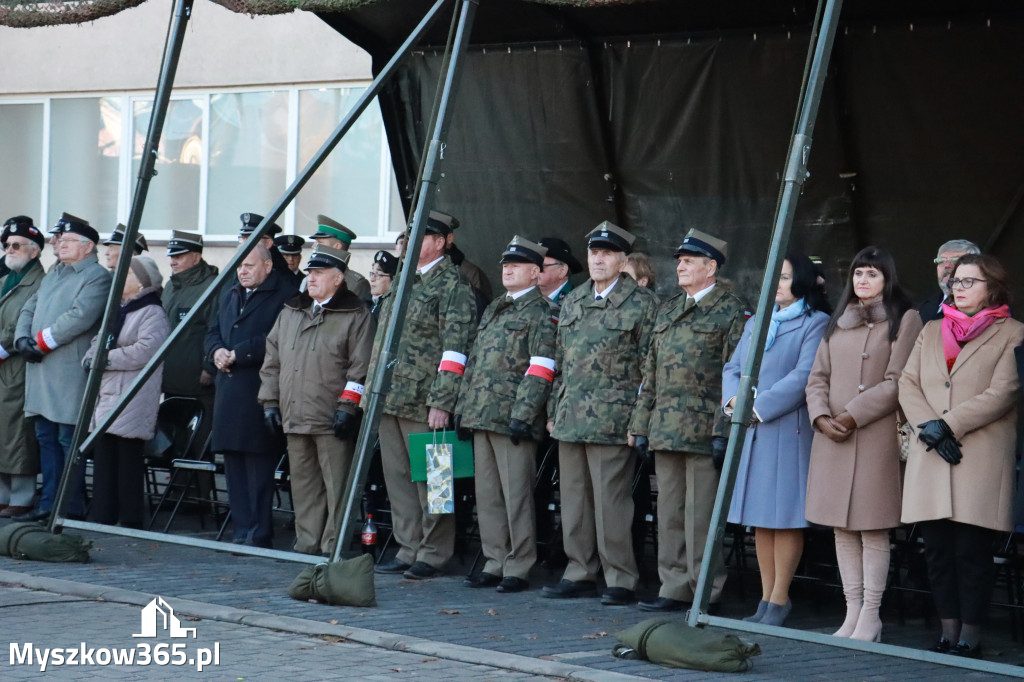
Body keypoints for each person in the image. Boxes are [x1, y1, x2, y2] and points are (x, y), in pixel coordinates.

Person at [900, 254, 1023, 658]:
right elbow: (908, 382)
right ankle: (947, 630)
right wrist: (929, 427)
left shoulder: (1013, 332)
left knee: (972, 553)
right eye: (956, 281)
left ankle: (971, 633)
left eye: (970, 281)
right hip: (932, 451)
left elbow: (1004, 391)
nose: (959, 287)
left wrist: (948, 424)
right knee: (936, 551)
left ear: (993, 287)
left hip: (978, 456)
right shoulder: (931, 329)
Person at [804, 246, 922, 642]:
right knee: (841, 528)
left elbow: (897, 380)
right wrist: (821, 415)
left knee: (873, 529)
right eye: (857, 274)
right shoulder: (838, 320)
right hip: (832, 438)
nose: (863, 281)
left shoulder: (905, 319)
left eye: (872, 274)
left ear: (887, 278)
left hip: (873, 436)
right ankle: (851, 610)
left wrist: (853, 414)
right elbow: (817, 376)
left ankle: (871, 614)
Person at [541, 221, 658, 606]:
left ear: (623, 259)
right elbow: (561, 363)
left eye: (607, 253)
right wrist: (554, 409)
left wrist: (639, 421)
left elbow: (649, 370)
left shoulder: (641, 304)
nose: (599, 259)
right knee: (573, 500)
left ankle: (619, 578)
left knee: (612, 505)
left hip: (613, 421)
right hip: (572, 416)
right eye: (594, 252)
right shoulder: (573, 300)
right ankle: (580, 571)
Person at [630, 229, 747, 612]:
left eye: (689, 260)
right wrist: (641, 423)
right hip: (666, 428)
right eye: (679, 260)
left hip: (703, 431)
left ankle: (704, 590)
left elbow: (736, 376)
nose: (680, 266)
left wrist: (722, 431)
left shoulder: (731, 311)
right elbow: (650, 372)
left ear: (710, 267)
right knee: (671, 515)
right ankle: (673, 586)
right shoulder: (668, 309)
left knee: (701, 518)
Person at [722, 252, 830, 626]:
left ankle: (780, 597)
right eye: (774, 278)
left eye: (784, 278)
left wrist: (756, 405)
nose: (777, 285)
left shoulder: (815, 322)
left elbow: (804, 377)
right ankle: (766, 599)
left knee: (784, 517)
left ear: (800, 281)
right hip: (752, 430)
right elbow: (733, 367)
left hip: (786, 428)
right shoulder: (757, 322)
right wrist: (733, 400)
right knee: (760, 520)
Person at [370, 212, 477, 580]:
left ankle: (433, 552)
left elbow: (456, 349)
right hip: (391, 396)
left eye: (423, 236)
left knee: (435, 480)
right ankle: (408, 546)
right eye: (409, 235)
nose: (413, 242)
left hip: (425, 399)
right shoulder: (402, 281)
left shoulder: (453, 286)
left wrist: (443, 400)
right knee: (398, 479)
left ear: (442, 241)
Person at [455, 236, 557, 594]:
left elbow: (542, 368)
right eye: (505, 264)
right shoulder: (497, 307)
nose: (507, 269)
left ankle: (518, 564)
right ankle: (494, 559)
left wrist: (524, 414)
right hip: (483, 415)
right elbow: (476, 363)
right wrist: (464, 409)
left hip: (513, 418)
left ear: (535, 273)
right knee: (488, 496)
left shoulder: (541, 313)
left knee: (516, 496)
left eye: (516, 265)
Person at [259, 245, 375, 556]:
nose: (311, 278)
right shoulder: (291, 311)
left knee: (338, 487)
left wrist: (348, 407)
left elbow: (360, 367)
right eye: (310, 272)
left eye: (319, 273)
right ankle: (307, 543)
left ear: (338, 278)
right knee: (304, 486)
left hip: (330, 416)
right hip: (295, 415)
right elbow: (272, 360)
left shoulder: (355, 315)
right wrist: (270, 402)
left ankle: (332, 547)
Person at [13, 213, 112, 522]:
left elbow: (80, 317)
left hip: (67, 372)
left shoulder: (97, 276)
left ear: (88, 246)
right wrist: (21, 339)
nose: (60, 245)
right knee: (45, 438)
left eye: (67, 241)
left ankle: (69, 506)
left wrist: (39, 343)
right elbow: (30, 304)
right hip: (41, 371)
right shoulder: (56, 271)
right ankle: (48, 504)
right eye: (60, 240)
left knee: (68, 442)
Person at [205, 245, 297, 547]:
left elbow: (278, 337)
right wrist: (216, 351)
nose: (242, 271)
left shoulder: (283, 294)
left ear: (268, 266)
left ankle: (259, 532)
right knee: (233, 464)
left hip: (259, 391)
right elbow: (213, 330)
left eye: (249, 265)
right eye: (239, 266)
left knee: (258, 466)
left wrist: (239, 353)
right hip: (228, 391)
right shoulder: (230, 292)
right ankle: (242, 528)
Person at [85, 257, 169, 528]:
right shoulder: (118, 309)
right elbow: (97, 342)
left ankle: (130, 519)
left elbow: (147, 350)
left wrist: (105, 359)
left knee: (127, 460)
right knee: (105, 458)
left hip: (133, 395)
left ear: (142, 281)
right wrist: (92, 357)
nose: (119, 277)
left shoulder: (152, 312)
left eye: (127, 273)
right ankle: (104, 516)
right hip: (108, 393)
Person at [0, 217, 46, 518]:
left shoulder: (38, 282)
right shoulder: (7, 280)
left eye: (17, 245)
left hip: (18, 366)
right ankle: (3, 494)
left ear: (34, 251)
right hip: (5, 368)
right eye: (7, 245)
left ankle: (22, 496)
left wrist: (3, 347)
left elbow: (24, 324)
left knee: (18, 433)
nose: (9, 250)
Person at [161, 230, 219, 455]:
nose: (173, 260)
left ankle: (198, 490)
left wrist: (208, 367)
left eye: (179, 255)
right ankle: (176, 487)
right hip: (171, 379)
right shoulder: (171, 286)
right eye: (171, 255)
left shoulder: (211, 286)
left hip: (198, 382)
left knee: (198, 443)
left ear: (196, 257)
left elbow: (215, 328)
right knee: (173, 441)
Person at [307, 215, 371, 302]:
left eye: (320, 243)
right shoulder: (310, 278)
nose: (313, 246)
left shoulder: (356, 284)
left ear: (337, 247)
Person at [917, 239, 981, 324]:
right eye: (941, 261)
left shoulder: (983, 308)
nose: (947, 265)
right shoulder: (923, 306)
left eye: (955, 261)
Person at [440, 211, 493, 303]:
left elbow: (482, 313)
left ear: (449, 238)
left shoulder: (470, 273)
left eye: (424, 238)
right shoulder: (413, 270)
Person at [238, 212, 299, 287]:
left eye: (251, 239)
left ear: (268, 243)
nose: (245, 243)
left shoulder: (281, 276)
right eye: (243, 238)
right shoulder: (238, 267)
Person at [538, 236, 582, 310]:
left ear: (562, 271)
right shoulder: (527, 299)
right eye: (533, 266)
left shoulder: (577, 303)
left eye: (541, 266)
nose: (535, 271)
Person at [368, 249, 397, 320]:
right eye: (372, 273)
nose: (372, 279)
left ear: (393, 279)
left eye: (378, 275)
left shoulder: (393, 308)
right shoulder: (367, 302)